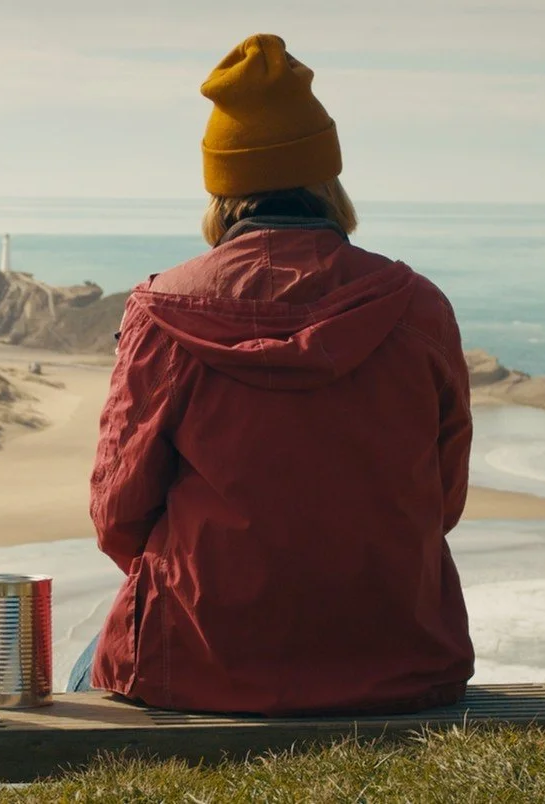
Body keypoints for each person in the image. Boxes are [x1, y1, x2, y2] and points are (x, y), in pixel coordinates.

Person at [68, 34, 475, 716]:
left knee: (82, 673)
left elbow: (118, 515)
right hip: (399, 661)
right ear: (327, 180)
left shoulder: (161, 311)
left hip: (198, 663)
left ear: (222, 189)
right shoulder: (419, 307)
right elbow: (445, 499)